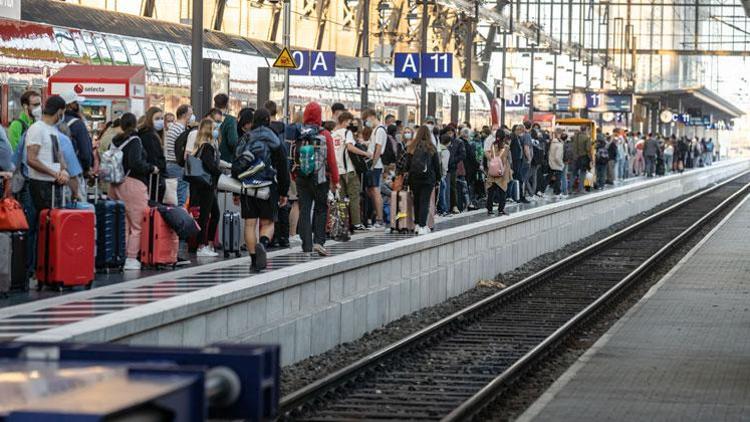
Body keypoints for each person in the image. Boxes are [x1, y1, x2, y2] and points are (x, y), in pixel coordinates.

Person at [108, 113, 158, 271]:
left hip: (115, 184)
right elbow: (136, 162)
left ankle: (120, 255)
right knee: (137, 225)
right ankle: (131, 258)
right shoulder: (135, 140)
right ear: (135, 124)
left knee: (123, 223)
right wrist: (151, 168)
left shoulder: (115, 141)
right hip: (133, 184)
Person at [295, 102, 338, 256]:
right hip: (321, 178)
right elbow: (332, 159)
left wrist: (294, 174)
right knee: (321, 208)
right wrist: (336, 179)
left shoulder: (299, 132)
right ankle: (319, 241)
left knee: (305, 209)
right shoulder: (325, 133)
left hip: (301, 177)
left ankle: (306, 244)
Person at [25, 95, 69, 218]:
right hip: (41, 185)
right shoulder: (37, 129)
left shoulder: (52, 130)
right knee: (46, 221)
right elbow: (31, 159)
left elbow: (57, 155)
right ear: (60, 111)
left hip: (54, 184)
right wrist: (54, 173)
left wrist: (63, 170)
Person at [188, 118, 223, 257]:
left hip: (201, 185)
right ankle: (203, 246)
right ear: (209, 130)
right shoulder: (207, 147)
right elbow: (210, 166)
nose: (216, 131)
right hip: (207, 185)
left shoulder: (199, 146)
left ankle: (207, 243)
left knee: (214, 214)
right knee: (207, 215)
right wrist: (220, 173)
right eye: (214, 128)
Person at [332, 111, 371, 231]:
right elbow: (350, 147)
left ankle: (342, 223)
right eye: (349, 122)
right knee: (354, 197)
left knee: (341, 199)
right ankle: (356, 223)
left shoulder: (332, 134)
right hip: (349, 170)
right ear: (345, 121)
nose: (351, 125)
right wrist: (365, 153)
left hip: (337, 171)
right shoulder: (347, 132)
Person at [401, 126, 440, 235]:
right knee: (424, 201)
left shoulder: (411, 147)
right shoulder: (431, 147)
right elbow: (437, 165)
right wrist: (438, 178)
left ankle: (417, 224)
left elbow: (407, 165)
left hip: (414, 179)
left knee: (416, 201)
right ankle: (423, 225)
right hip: (428, 179)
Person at [60, 91, 94, 201]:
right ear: (71, 105)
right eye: (77, 103)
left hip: (57, 173)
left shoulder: (55, 122)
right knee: (77, 207)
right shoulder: (78, 124)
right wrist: (87, 168)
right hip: (75, 172)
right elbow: (85, 152)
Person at [164, 104, 194, 206]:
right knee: (180, 199)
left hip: (170, 164)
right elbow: (184, 151)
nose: (192, 116)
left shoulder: (173, 127)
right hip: (177, 166)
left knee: (172, 198)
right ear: (185, 115)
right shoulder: (180, 130)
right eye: (191, 114)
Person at [361, 109, 386, 228]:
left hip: (375, 165)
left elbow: (379, 147)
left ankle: (380, 219)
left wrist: (373, 164)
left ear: (371, 117)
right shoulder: (376, 130)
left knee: (375, 191)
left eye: (366, 119)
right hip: (374, 164)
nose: (366, 122)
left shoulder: (380, 130)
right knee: (371, 190)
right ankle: (377, 216)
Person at [138, 106, 167, 202]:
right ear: (150, 119)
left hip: (151, 176)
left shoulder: (151, 134)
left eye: (162, 119)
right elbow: (153, 156)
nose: (160, 121)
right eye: (157, 118)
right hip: (152, 177)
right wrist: (161, 166)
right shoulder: (149, 135)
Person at [485, 129, 512, 215]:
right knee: (502, 192)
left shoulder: (492, 146)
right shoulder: (506, 147)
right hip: (502, 171)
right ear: (504, 137)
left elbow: (489, 156)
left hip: (493, 171)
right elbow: (507, 159)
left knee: (491, 192)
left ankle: (489, 209)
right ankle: (501, 209)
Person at [215, 93, 238, 162]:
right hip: (225, 159)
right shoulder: (230, 120)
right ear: (227, 105)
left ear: (215, 104)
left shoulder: (207, 118)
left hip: (209, 159)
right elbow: (233, 141)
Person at [571, 125, 590, 193]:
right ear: (586, 130)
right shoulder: (586, 137)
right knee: (582, 173)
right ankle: (581, 188)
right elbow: (588, 149)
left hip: (575, 157)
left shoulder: (575, 137)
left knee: (573, 173)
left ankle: (570, 189)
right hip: (583, 157)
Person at [548, 129, 564, 196]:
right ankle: (558, 193)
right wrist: (561, 164)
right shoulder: (559, 145)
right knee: (558, 179)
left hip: (551, 163)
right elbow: (557, 157)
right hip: (557, 164)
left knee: (550, 178)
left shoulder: (552, 143)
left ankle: (554, 192)